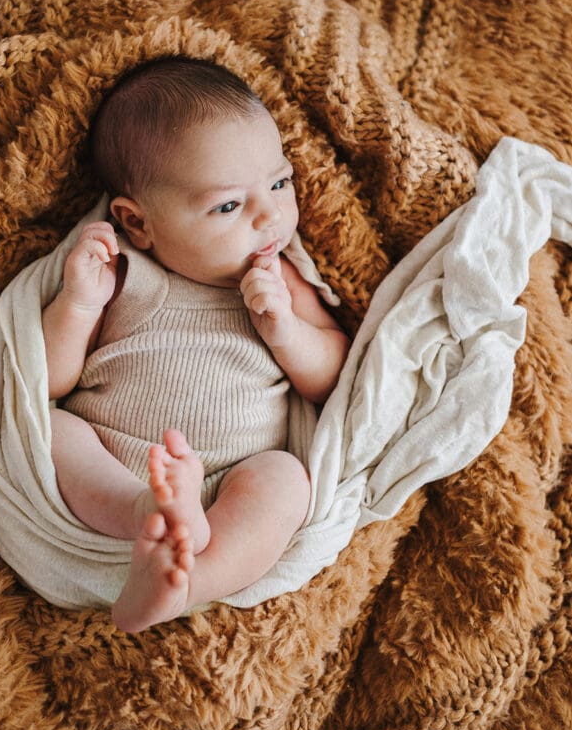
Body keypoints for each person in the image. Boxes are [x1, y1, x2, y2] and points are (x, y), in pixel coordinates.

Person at [42, 57, 350, 632]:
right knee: (53, 432)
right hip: (114, 472)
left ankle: (183, 582)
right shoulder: (123, 272)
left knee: (286, 480)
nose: (270, 215)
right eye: (229, 205)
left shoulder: (283, 280)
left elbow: (332, 376)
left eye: (280, 183)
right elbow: (48, 382)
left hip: (235, 481)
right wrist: (78, 304)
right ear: (138, 224)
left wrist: (285, 329)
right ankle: (147, 515)